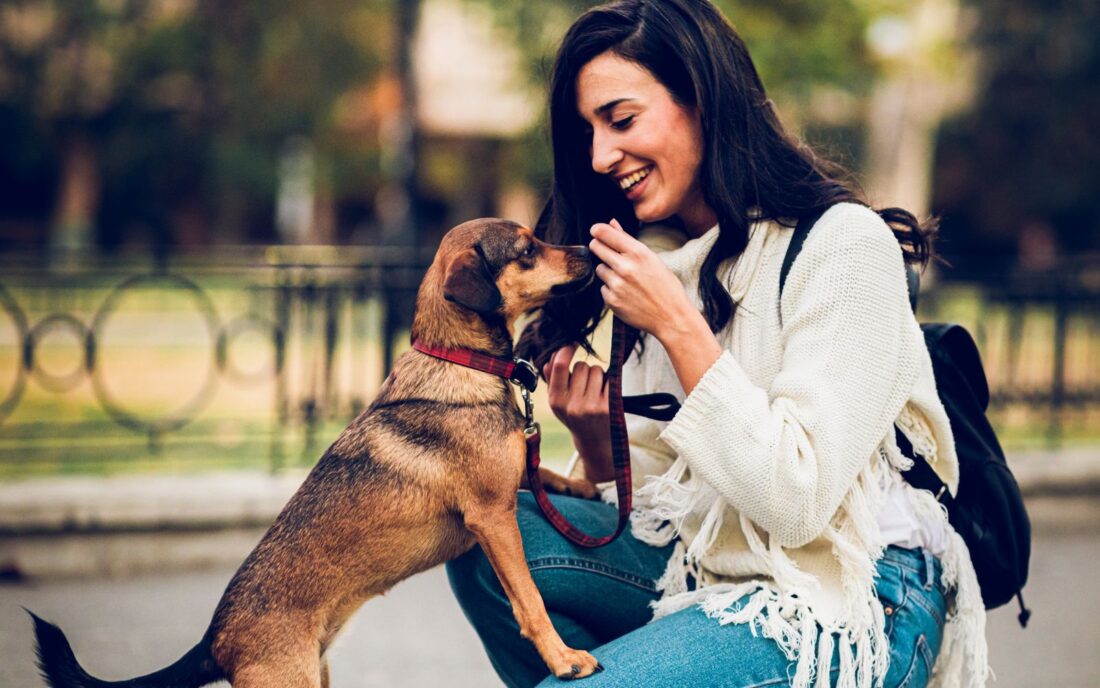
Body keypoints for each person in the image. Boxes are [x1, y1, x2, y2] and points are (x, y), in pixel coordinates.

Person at [446, 1, 989, 686]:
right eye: (587, 131)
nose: (599, 155)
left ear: (702, 99)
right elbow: (671, 504)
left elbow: (797, 501)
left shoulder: (844, 246)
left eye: (620, 119)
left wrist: (679, 326)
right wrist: (595, 448)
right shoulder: (666, 256)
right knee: (484, 536)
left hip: (850, 588)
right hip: (709, 560)